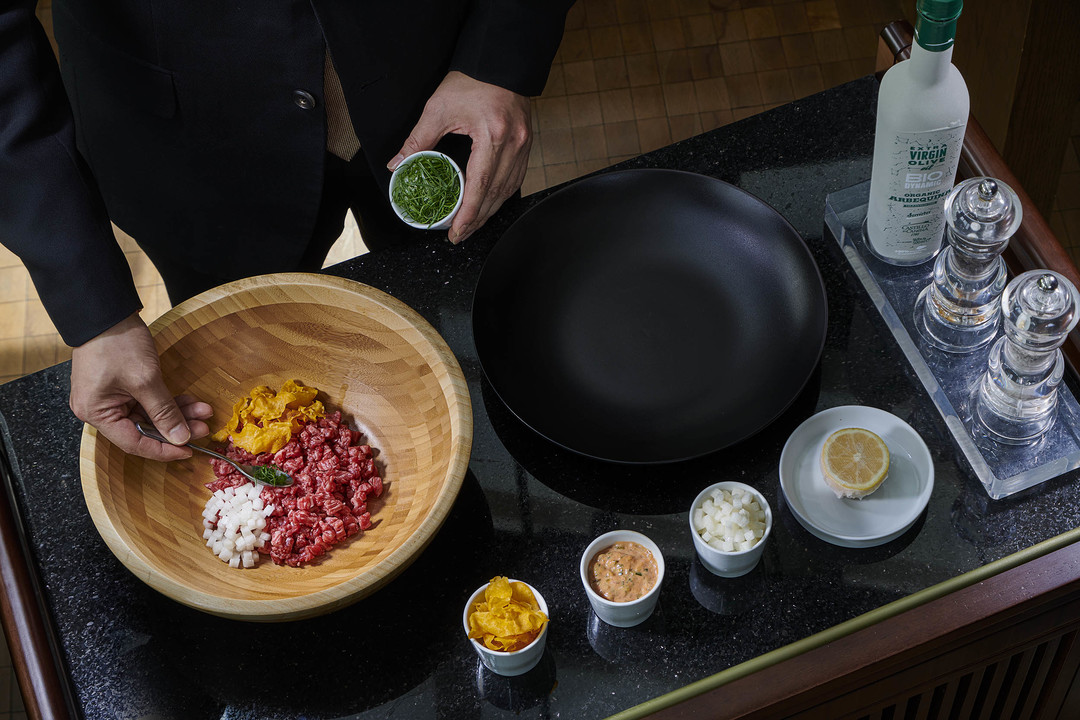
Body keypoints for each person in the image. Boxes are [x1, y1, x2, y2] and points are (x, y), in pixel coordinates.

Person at [0, 1, 573, 461]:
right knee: (246, 379)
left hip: (441, 90)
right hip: (188, 147)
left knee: (475, 336)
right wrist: (92, 307)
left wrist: (500, 53)